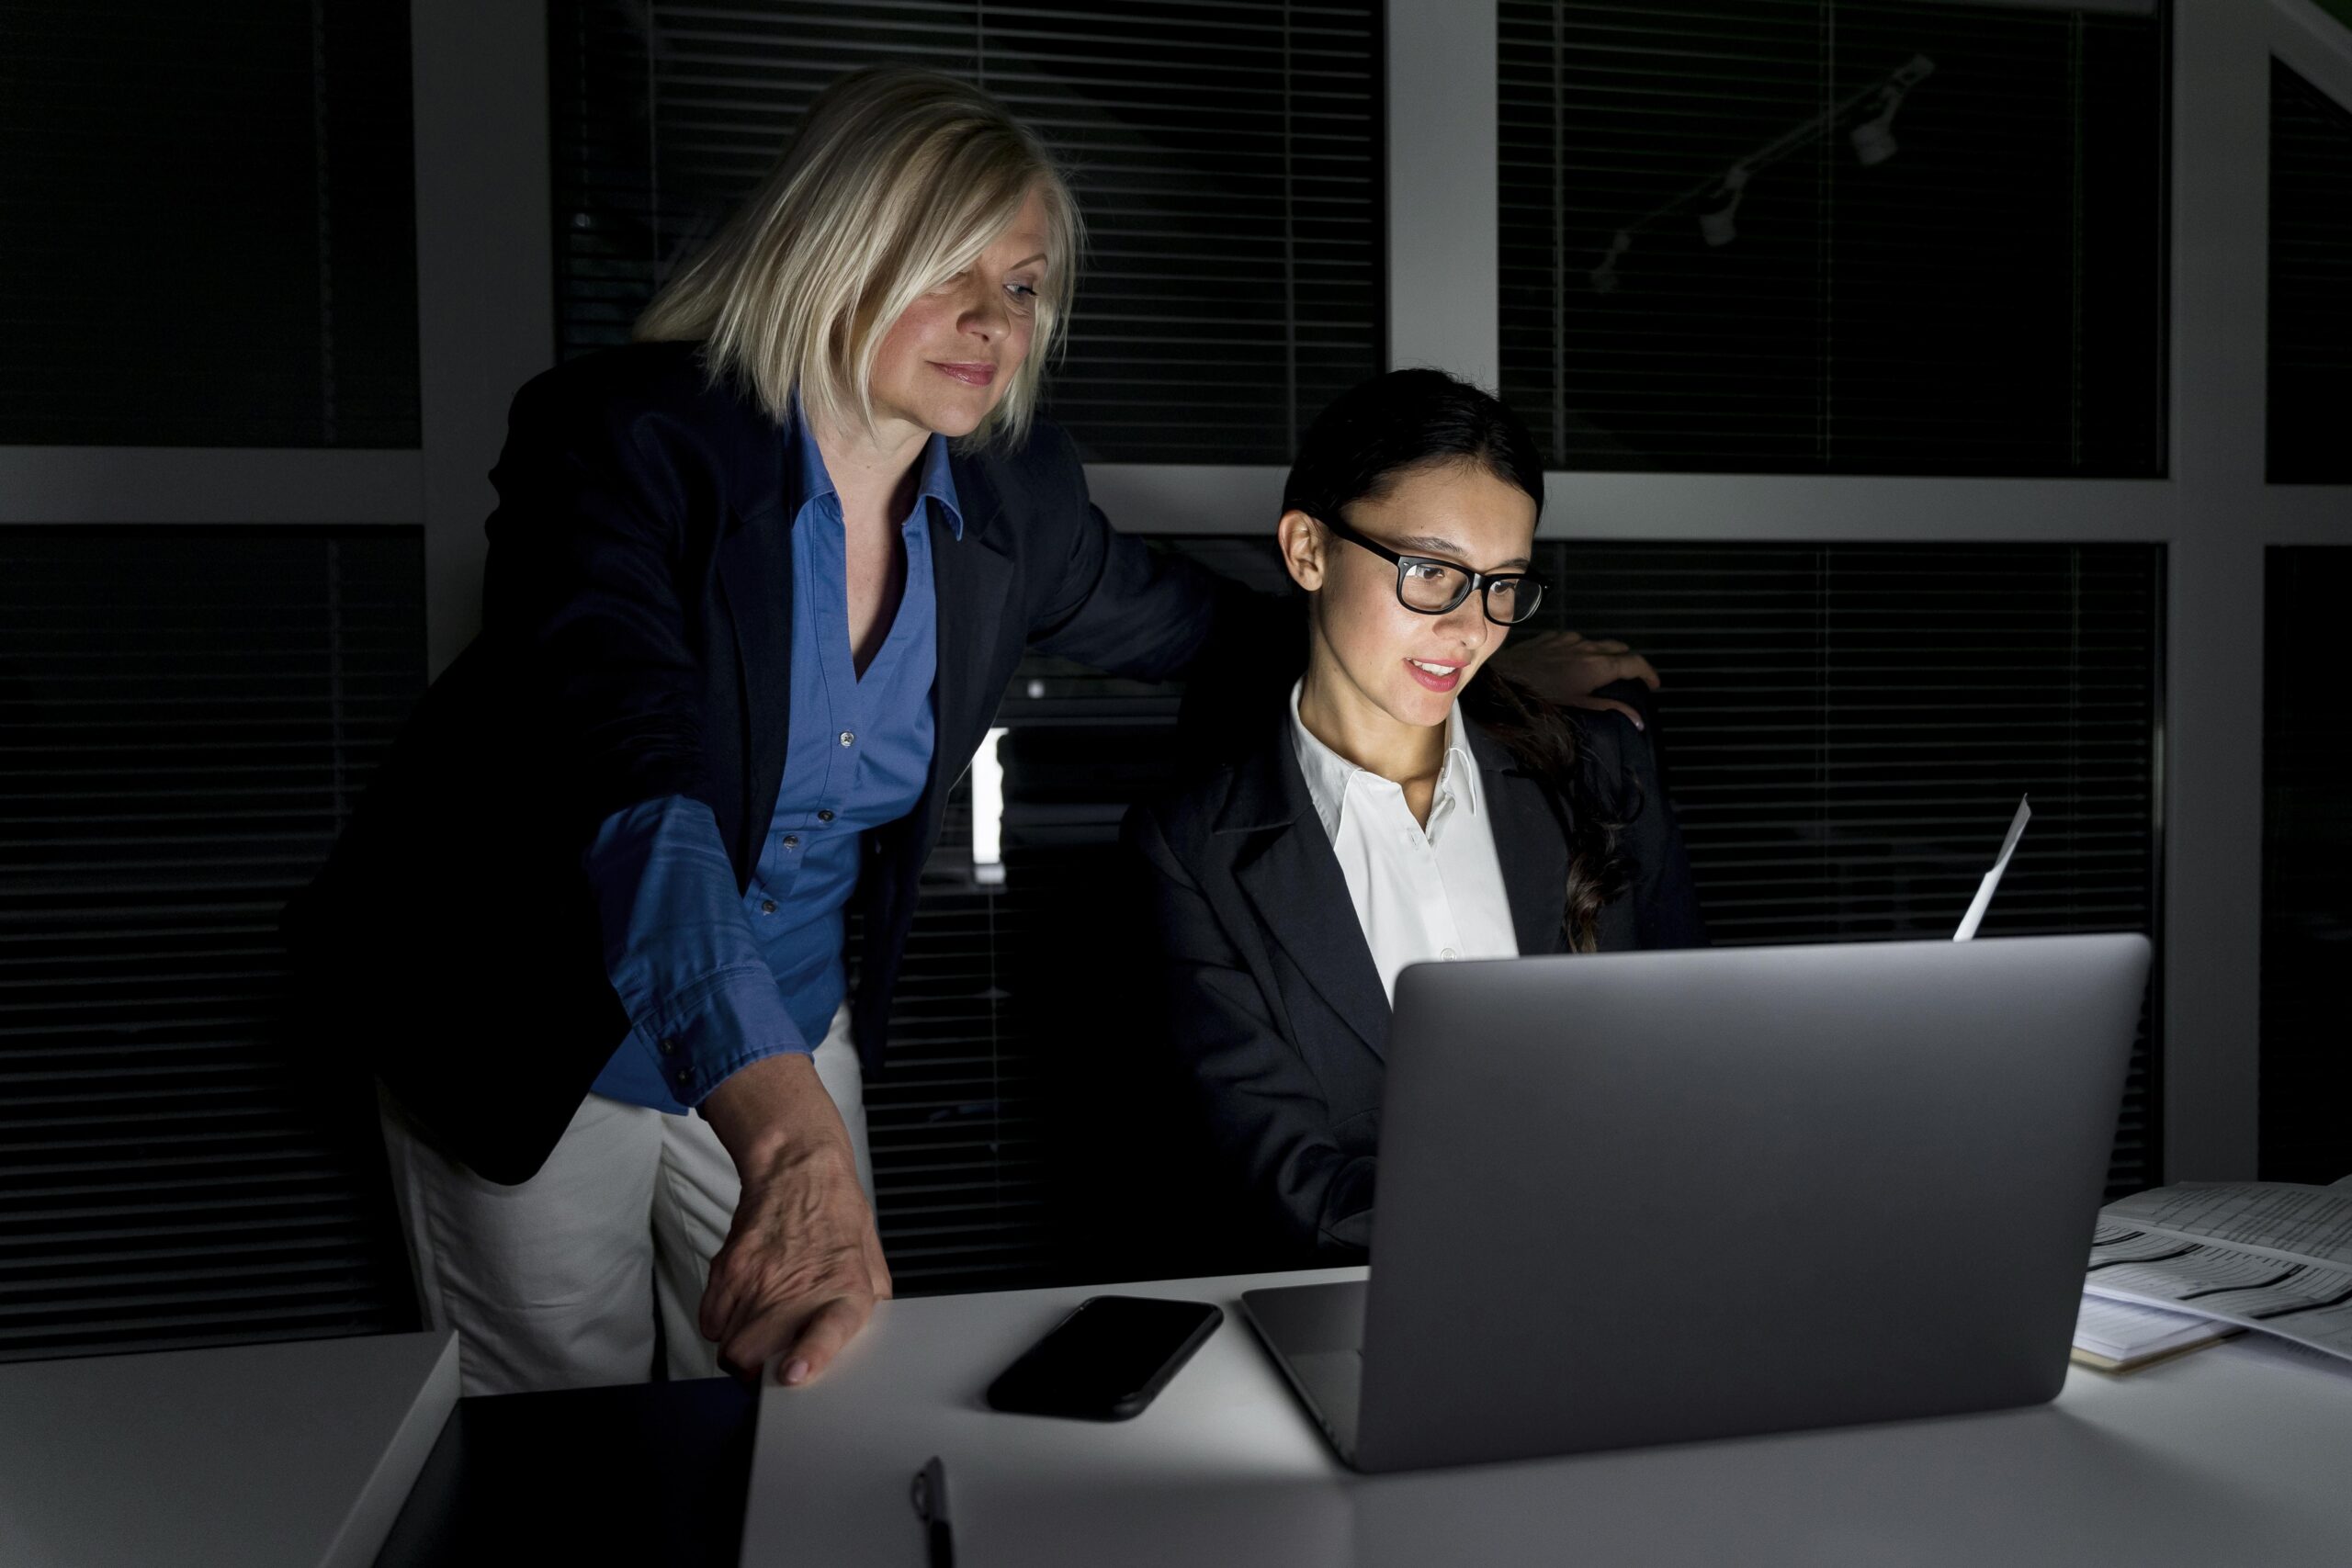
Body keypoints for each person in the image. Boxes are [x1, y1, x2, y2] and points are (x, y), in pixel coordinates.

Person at [285, 67, 1652, 1396]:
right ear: (836, 248)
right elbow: (641, 794)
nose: (992, 319)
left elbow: (1218, 629)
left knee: (802, 1397)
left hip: (792, 1008)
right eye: (948, 267)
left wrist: (1476, 648)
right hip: (529, 1004)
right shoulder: (623, 443)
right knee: (559, 1432)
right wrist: (792, 1136)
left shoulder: (1017, 500)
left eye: (1022, 284)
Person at [1123, 368, 1708, 1260]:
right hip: (1367, 1311)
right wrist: (1551, 1204)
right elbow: (1285, 1182)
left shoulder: (1605, 775)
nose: (1471, 629)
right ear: (1308, 550)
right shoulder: (1193, 850)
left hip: (1635, 1281)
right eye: (1432, 572)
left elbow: (1693, 1066)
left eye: (1502, 585)